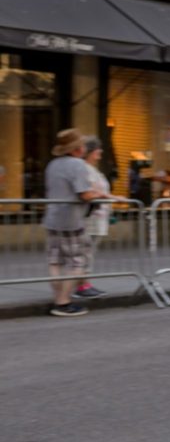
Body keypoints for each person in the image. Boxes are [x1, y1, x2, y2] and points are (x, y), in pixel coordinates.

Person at [43, 129, 106, 317]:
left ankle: (57, 300)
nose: (85, 147)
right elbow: (84, 194)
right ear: (78, 148)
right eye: (83, 144)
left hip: (52, 217)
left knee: (54, 261)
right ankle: (63, 302)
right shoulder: (77, 165)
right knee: (77, 261)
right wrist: (97, 194)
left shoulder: (52, 164)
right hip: (71, 219)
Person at [76, 138, 121, 299]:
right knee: (85, 251)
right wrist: (113, 197)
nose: (100, 153)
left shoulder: (93, 169)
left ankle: (84, 283)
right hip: (90, 217)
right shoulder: (85, 169)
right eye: (98, 150)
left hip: (98, 216)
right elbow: (91, 191)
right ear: (91, 152)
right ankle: (81, 285)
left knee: (89, 251)